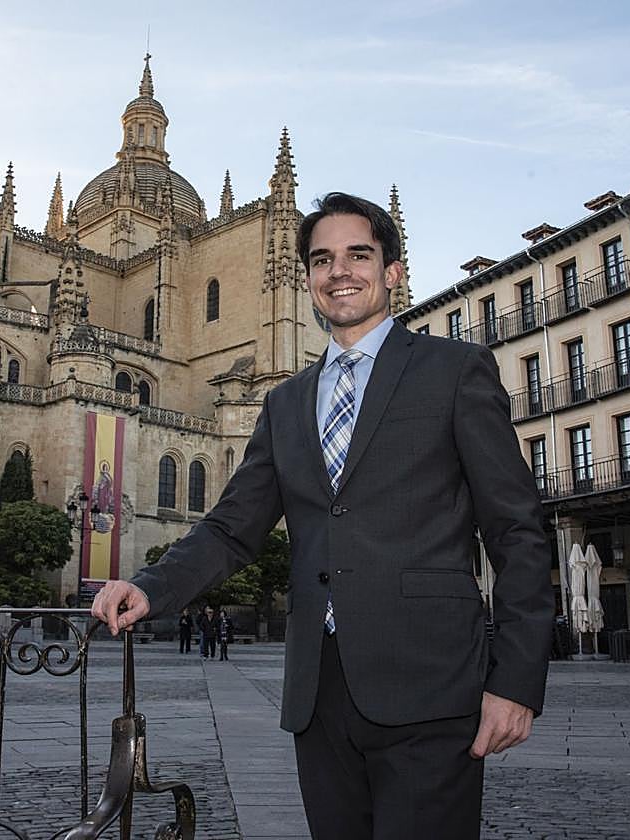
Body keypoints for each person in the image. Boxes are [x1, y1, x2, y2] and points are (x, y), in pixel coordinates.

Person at [92, 192, 553, 839]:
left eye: (358, 255)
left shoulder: (453, 371)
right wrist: (150, 585)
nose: (340, 271)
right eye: (323, 259)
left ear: (392, 271)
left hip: (432, 684)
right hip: (319, 697)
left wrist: (518, 679)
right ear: (306, 278)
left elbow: (516, 529)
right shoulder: (285, 403)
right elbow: (232, 527)